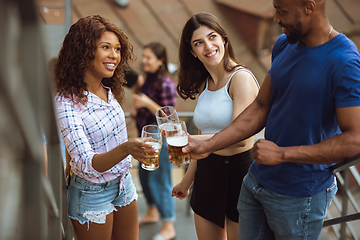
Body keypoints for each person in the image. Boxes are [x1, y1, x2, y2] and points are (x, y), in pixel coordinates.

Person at [179, 1, 360, 239]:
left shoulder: (344, 61)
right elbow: (261, 107)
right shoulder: (284, 44)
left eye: (281, 11)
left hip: (299, 195)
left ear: (309, 6)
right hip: (256, 182)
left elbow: (354, 140)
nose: (275, 18)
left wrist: (284, 154)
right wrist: (207, 145)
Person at [54, 15, 157, 240]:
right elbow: (85, 163)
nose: (115, 55)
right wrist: (128, 149)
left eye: (118, 49)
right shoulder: (65, 103)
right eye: (106, 48)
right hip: (91, 193)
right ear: (83, 52)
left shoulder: (109, 89)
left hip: (123, 183)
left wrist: (133, 150)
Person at [171, 12, 259, 240]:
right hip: (207, 175)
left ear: (224, 40)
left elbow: (242, 137)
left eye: (212, 37)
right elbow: (203, 140)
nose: (208, 46)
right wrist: (186, 181)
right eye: (198, 43)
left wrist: (187, 140)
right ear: (192, 52)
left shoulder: (241, 78)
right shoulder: (205, 84)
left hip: (239, 175)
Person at [132, 42, 177, 240]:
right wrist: (138, 111)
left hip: (162, 141)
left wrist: (146, 103)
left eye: (149, 57)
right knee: (144, 176)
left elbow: (169, 118)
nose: (144, 61)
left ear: (161, 61)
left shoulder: (166, 83)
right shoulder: (149, 81)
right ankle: (152, 212)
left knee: (159, 181)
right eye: (144, 57)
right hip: (148, 138)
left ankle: (169, 224)